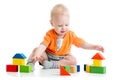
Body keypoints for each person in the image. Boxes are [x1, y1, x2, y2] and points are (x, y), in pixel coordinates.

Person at [27, 4, 104, 71]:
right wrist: (37, 54)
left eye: (66, 25)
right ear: (52, 23)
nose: (64, 28)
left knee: (73, 61)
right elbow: (43, 46)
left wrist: (94, 46)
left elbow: (83, 44)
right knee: (36, 49)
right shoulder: (50, 34)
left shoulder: (71, 35)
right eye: (60, 25)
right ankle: (30, 64)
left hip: (63, 58)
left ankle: (53, 65)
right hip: (48, 56)